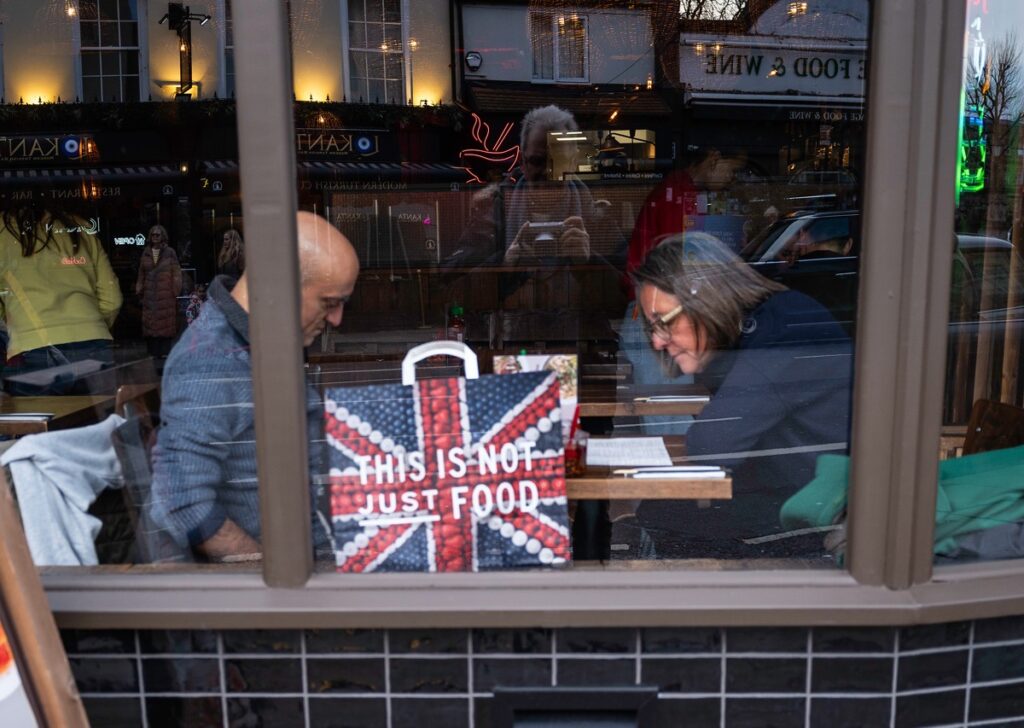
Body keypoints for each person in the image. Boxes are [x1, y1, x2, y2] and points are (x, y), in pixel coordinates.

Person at [150, 212, 360, 561]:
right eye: (329, 302)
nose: (337, 319)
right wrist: (273, 579)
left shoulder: (259, 347)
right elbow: (183, 501)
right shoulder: (212, 361)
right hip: (296, 591)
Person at [631, 232, 853, 559]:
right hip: (813, 492)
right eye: (651, 329)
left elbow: (710, 448)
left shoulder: (779, 333)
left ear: (704, 299)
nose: (657, 342)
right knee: (667, 511)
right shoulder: (769, 321)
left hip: (827, 516)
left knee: (664, 515)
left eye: (663, 322)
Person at [0, 205, 122, 395]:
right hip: (93, 342)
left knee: (41, 422)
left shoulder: (3, 231)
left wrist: (12, 329)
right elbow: (113, 299)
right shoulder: (79, 227)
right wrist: (89, 331)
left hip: (33, 344)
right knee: (96, 419)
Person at [135, 224, 182, 361]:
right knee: (151, 322)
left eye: (158, 235)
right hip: (149, 293)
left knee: (166, 322)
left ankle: (165, 352)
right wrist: (139, 288)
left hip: (166, 293)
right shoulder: (146, 252)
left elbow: (176, 272)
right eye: (153, 235)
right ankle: (153, 352)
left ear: (163, 236)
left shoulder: (170, 252)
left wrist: (175, 290)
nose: (155, 237)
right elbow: (141, 272)